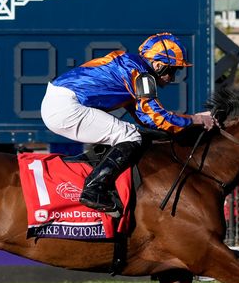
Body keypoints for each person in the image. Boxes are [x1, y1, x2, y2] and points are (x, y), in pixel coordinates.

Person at [40, 32, 215, 215]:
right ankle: (94, 189)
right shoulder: (141, 76)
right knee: (129, 135)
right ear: (158, 64)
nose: (172, 78)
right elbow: (158, 118)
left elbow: (145, 119)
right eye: (172, 70)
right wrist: (196, 119)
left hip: (59, 103)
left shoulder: (132, 67)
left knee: (129, 133)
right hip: (66, 107)